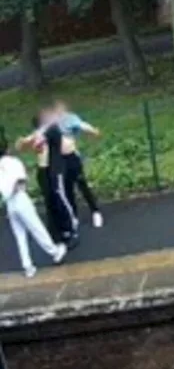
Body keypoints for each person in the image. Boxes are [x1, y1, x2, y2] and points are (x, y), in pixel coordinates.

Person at [0, 129, 67, 277]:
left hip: (9, 204)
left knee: (20, 235)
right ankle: (55, 252)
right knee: (36, 228)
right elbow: (21, 181)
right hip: (20, 198)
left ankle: (28, 266)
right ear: (8, 149)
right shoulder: (14, 162)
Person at [19, 108, 78, 248]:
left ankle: (70, 229)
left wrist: (34, 141)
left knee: (60, 198)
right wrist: (26, 141)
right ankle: (55, 232)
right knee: (49, 201)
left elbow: (41, 141)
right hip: (44, 170)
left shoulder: (53, 130)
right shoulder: (40, 132)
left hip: (55, 168)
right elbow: (26, 144)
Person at [52, 99, 103, 228]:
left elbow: (82, 125)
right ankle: (73, 216)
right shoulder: (51, 122)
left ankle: (95, 212)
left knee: (81, 184)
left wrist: (93, 131)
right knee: (67, 188)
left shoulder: (70, 118)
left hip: (72, 157)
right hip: (59, 160)